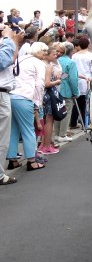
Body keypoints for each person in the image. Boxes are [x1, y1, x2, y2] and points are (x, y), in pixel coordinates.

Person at [6, 41, 48, 171]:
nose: (45, 54)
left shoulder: (20, 58)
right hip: (25, 96)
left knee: (13, 129)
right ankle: (31, 160)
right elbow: (40, 85)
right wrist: (37, 103)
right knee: (28, 129)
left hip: (10, 95)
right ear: (39, 51)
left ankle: (12, 159)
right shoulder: (39, 63)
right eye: (44, 51)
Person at [0, 25, 23, 185]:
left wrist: (13, 42)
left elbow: (10, 60)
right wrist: (9, 39)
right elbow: (3, 61)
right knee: (2, 138)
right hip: (1, 94)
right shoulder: (5, 43)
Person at [37, 46, 63, 155]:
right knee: (49, 121)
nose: (56, 55)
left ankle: (43, 144)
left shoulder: (40, 64)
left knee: (45, 121)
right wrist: (57, 82)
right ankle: (47, 146)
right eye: (53, 54)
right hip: (48, 96)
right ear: (46, 55)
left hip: (42, 96)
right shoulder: (48, 66)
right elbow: (47, 84)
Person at [54, 42, 79, 143]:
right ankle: (62, 134)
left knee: (57, 111)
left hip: (56, 88)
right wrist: (75, 92)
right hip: (67, 90)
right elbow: (73, 79)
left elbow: (62, 75)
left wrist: (65, 76)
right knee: (66, 112)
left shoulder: (57, 59)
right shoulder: (71, 62)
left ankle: (56, 134)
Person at [70, 36, 92, 128]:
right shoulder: (90, 56)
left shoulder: (74, 56)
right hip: (87, 81)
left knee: (77, 103)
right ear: (88, 45)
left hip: (77, 80)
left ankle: (73, 122)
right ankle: (85, 123)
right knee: (85, 103)